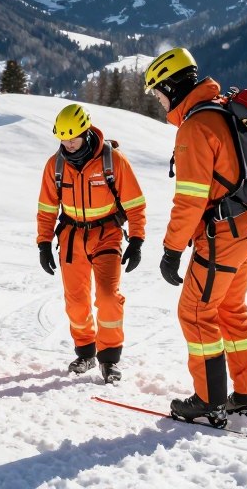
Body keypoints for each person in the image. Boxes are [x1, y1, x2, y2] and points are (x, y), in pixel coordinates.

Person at [144, 48, 247, 425]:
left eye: (158, 92)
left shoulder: (196, 126)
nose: (160, 100)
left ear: (171, 86)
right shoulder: (223, 109)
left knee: (195, 312)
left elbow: (190, 199)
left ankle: (209, 400)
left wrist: (171, 249)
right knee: (231, 310)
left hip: (222, 237)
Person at [36, 104, 147, 383]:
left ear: (86, 132)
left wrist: (137, 239)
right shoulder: (55, 165)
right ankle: (85, 352)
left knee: (108, 297)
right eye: (62, 139)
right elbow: (47, 208)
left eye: (72, 138)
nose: (68, 144)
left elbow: (135, 203)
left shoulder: (113, 161)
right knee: (76, 302)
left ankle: (109, 359)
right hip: (71, 237)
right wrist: (43, 243)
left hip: (106, 233)